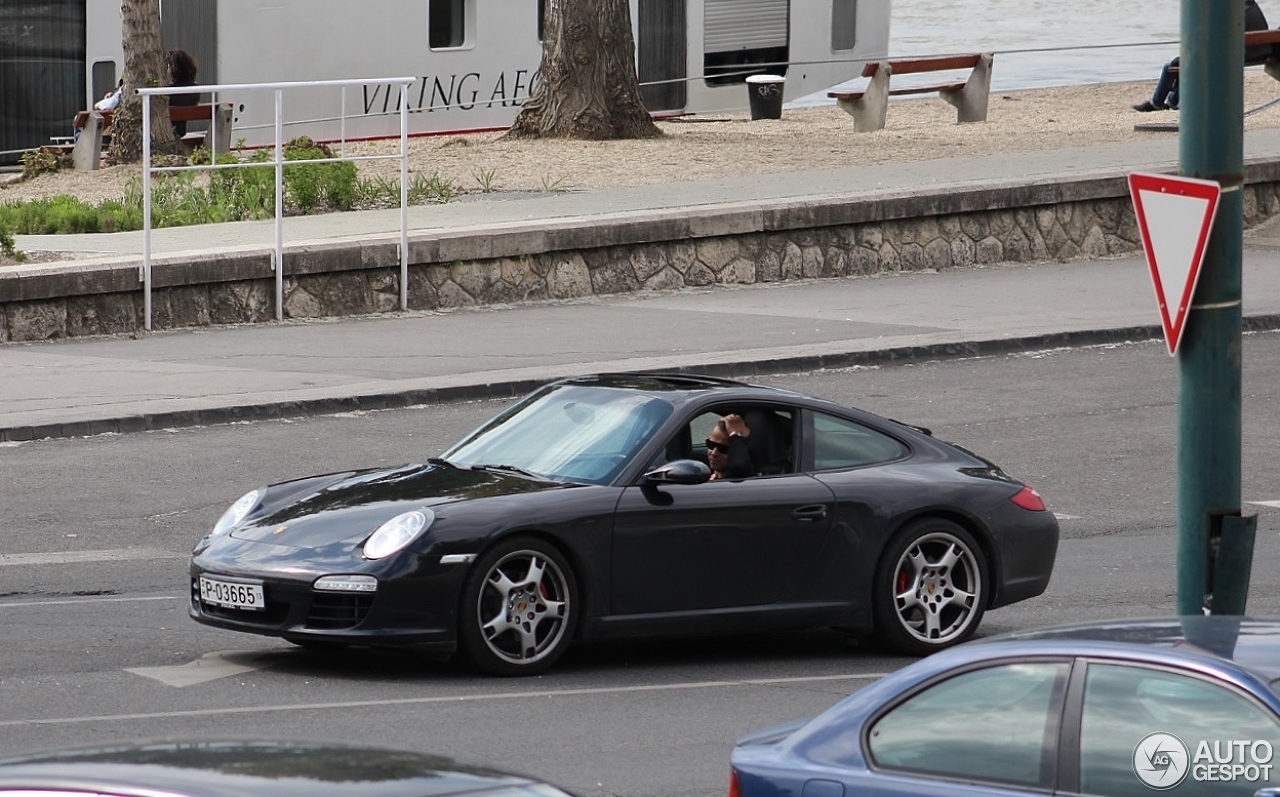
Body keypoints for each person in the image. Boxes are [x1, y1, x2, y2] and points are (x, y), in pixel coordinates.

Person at [1135, 0, 1272, 112]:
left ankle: (1157, 103)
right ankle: (1173, 100)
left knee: (1172, 65)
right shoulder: (1252, 9)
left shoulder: (1236, 14)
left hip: (1239, 56)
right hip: (1259, 54)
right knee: (1185, 63)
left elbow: (1219, 40)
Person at [706, 413, 754, 481]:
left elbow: (738, 466)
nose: (714, 453)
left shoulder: (746, 478)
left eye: (723, 448)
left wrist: (735, 435)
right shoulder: (709, 477)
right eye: (711, 444)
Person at [166, 49, 199, 136]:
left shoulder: (169, 91)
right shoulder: (195, 90)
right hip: (181, 131)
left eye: (168, 66)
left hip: (171, 132)